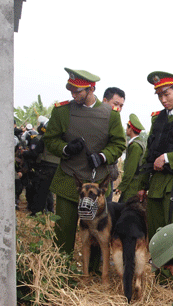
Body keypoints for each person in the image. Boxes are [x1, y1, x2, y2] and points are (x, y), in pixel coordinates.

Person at [43, 68, 125, 259]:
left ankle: (94, 271)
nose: (73, 95)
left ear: (91, 89)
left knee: (97, 231)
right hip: (68, 180)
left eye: (78, 91)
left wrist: (102, 156)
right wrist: (65, 148)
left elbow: (119, 144)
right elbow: (50, 140)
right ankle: (61, 266)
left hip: (97, 184)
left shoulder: (111, 114)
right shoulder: (62, 111)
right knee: (64, 230)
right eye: (71, 90)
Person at [136, 71, 173, 293]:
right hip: (156, 183)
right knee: (156, 233)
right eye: (159, 95)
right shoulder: (157, 118)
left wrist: (169, 158)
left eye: (167, 94)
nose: (163, 99)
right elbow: (150, 152)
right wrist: (142, 184)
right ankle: (161, 279)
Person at [25, 116, 58, 215]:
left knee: (41, 190)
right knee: (50, 191)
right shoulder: (61, 137)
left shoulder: (45, 138)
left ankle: (37, 213)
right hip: (58, 167)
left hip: (45, 166)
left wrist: (24, 153)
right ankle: (50, 210)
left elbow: (35, 153)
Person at [116, 113, 147, 202]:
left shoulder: (135, 146)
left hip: (132, 186)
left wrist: (121, 186)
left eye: (127, 127)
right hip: (133, 184)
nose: (126, 129)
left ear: (131, 129)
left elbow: (130, 170)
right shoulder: (139, 143)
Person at [102, 87, 126, 197]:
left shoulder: (116, 124)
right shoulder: (94, 119)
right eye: (116, 104)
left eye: (121, 106)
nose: (119, 109)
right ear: (105, 101)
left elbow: (119, 146)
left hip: (108, 174)